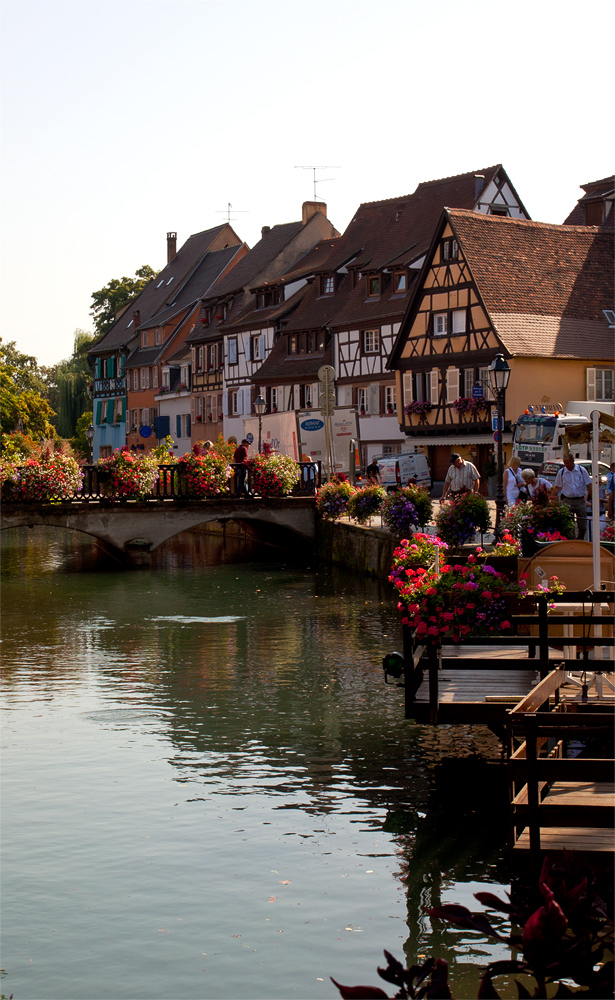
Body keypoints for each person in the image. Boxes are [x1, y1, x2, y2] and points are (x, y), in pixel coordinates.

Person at [552, 455, 591, 539]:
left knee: (583, 526)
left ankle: (579, 540)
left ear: (573, 461)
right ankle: (571, 541)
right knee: (569, 525)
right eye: (565, 463)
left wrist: (591, 499)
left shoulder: (581, 470)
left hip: (580, 500)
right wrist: (554, 501)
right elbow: (557, 487)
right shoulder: (562, 472)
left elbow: (589, 484)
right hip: (567, 500)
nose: (567, 465)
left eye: (568, 463)